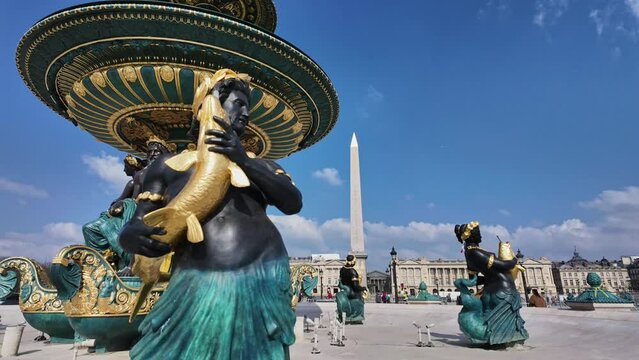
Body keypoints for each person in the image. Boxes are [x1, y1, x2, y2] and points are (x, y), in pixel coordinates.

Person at [119, 69, 302, 360]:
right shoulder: (169, 165)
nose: (245, 113)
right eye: (238, 103)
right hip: (198, 280)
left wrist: (243, 159)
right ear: (212, 103)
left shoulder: (261, 164)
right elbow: (138, 221)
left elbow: (293, 202)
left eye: (248, 107)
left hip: (262, 274)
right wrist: (129, 236)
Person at [454, 221, 529, 347]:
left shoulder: (469, 253)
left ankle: (493, 340)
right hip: (502, 290)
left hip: (489, 292)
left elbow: (474, 280)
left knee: (490, 320)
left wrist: (463, 284)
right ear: (471, 236)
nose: (481, 236)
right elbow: (505, 266)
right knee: (504, 320)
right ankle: (502, 341)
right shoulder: (476, 252)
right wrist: (513, 258)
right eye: (478, 233)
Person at [82, 155, 146, 271]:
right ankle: (100, 261)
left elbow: (123, 199)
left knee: (106, 227)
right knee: (88, 228)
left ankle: (127, 258)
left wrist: (118, 203)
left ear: (132, 166)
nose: (124, 170)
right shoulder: (133, 182)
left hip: (132, 210)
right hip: (126, 208)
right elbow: (120, 199)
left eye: (126, 167)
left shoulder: (138, 179)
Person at [336, 255, 367, 324]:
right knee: (360, 298)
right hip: (351, 291)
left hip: (345, 288)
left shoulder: (342, 269)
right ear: (352, 261)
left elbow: (341, 280)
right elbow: (355, 286)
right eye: (355, 261)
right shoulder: (352, 271)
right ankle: (355, 317)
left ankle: (345, 316)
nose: (355, 262)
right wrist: (363, 288)